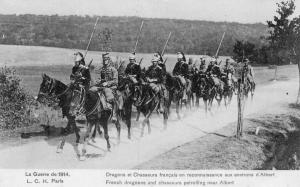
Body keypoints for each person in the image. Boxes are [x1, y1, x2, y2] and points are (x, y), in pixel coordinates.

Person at [90, 53, 118, 121]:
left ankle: (114, 114)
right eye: (104, 59)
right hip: (103, 86)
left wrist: (107, 83)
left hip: (111, 86)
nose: (105, 60)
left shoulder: (113, 69)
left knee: (109, 95)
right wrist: (97, 82)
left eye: (106, 59)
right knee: (91, 90)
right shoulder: (102, 69)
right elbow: (100, 78)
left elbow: (115, 81)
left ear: (109, 60)